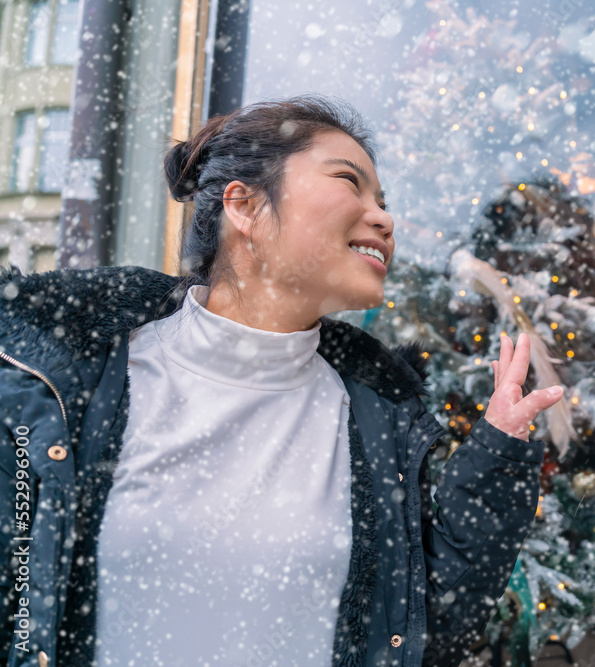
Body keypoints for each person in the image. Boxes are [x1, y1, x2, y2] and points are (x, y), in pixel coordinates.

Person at [0, 95, 564, 667]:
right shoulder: (56, 384)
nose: (386, 219)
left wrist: (496, 454)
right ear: (243, 206)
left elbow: (418, 633)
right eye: (350, 182)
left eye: (384, 202)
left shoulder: (375, 415)